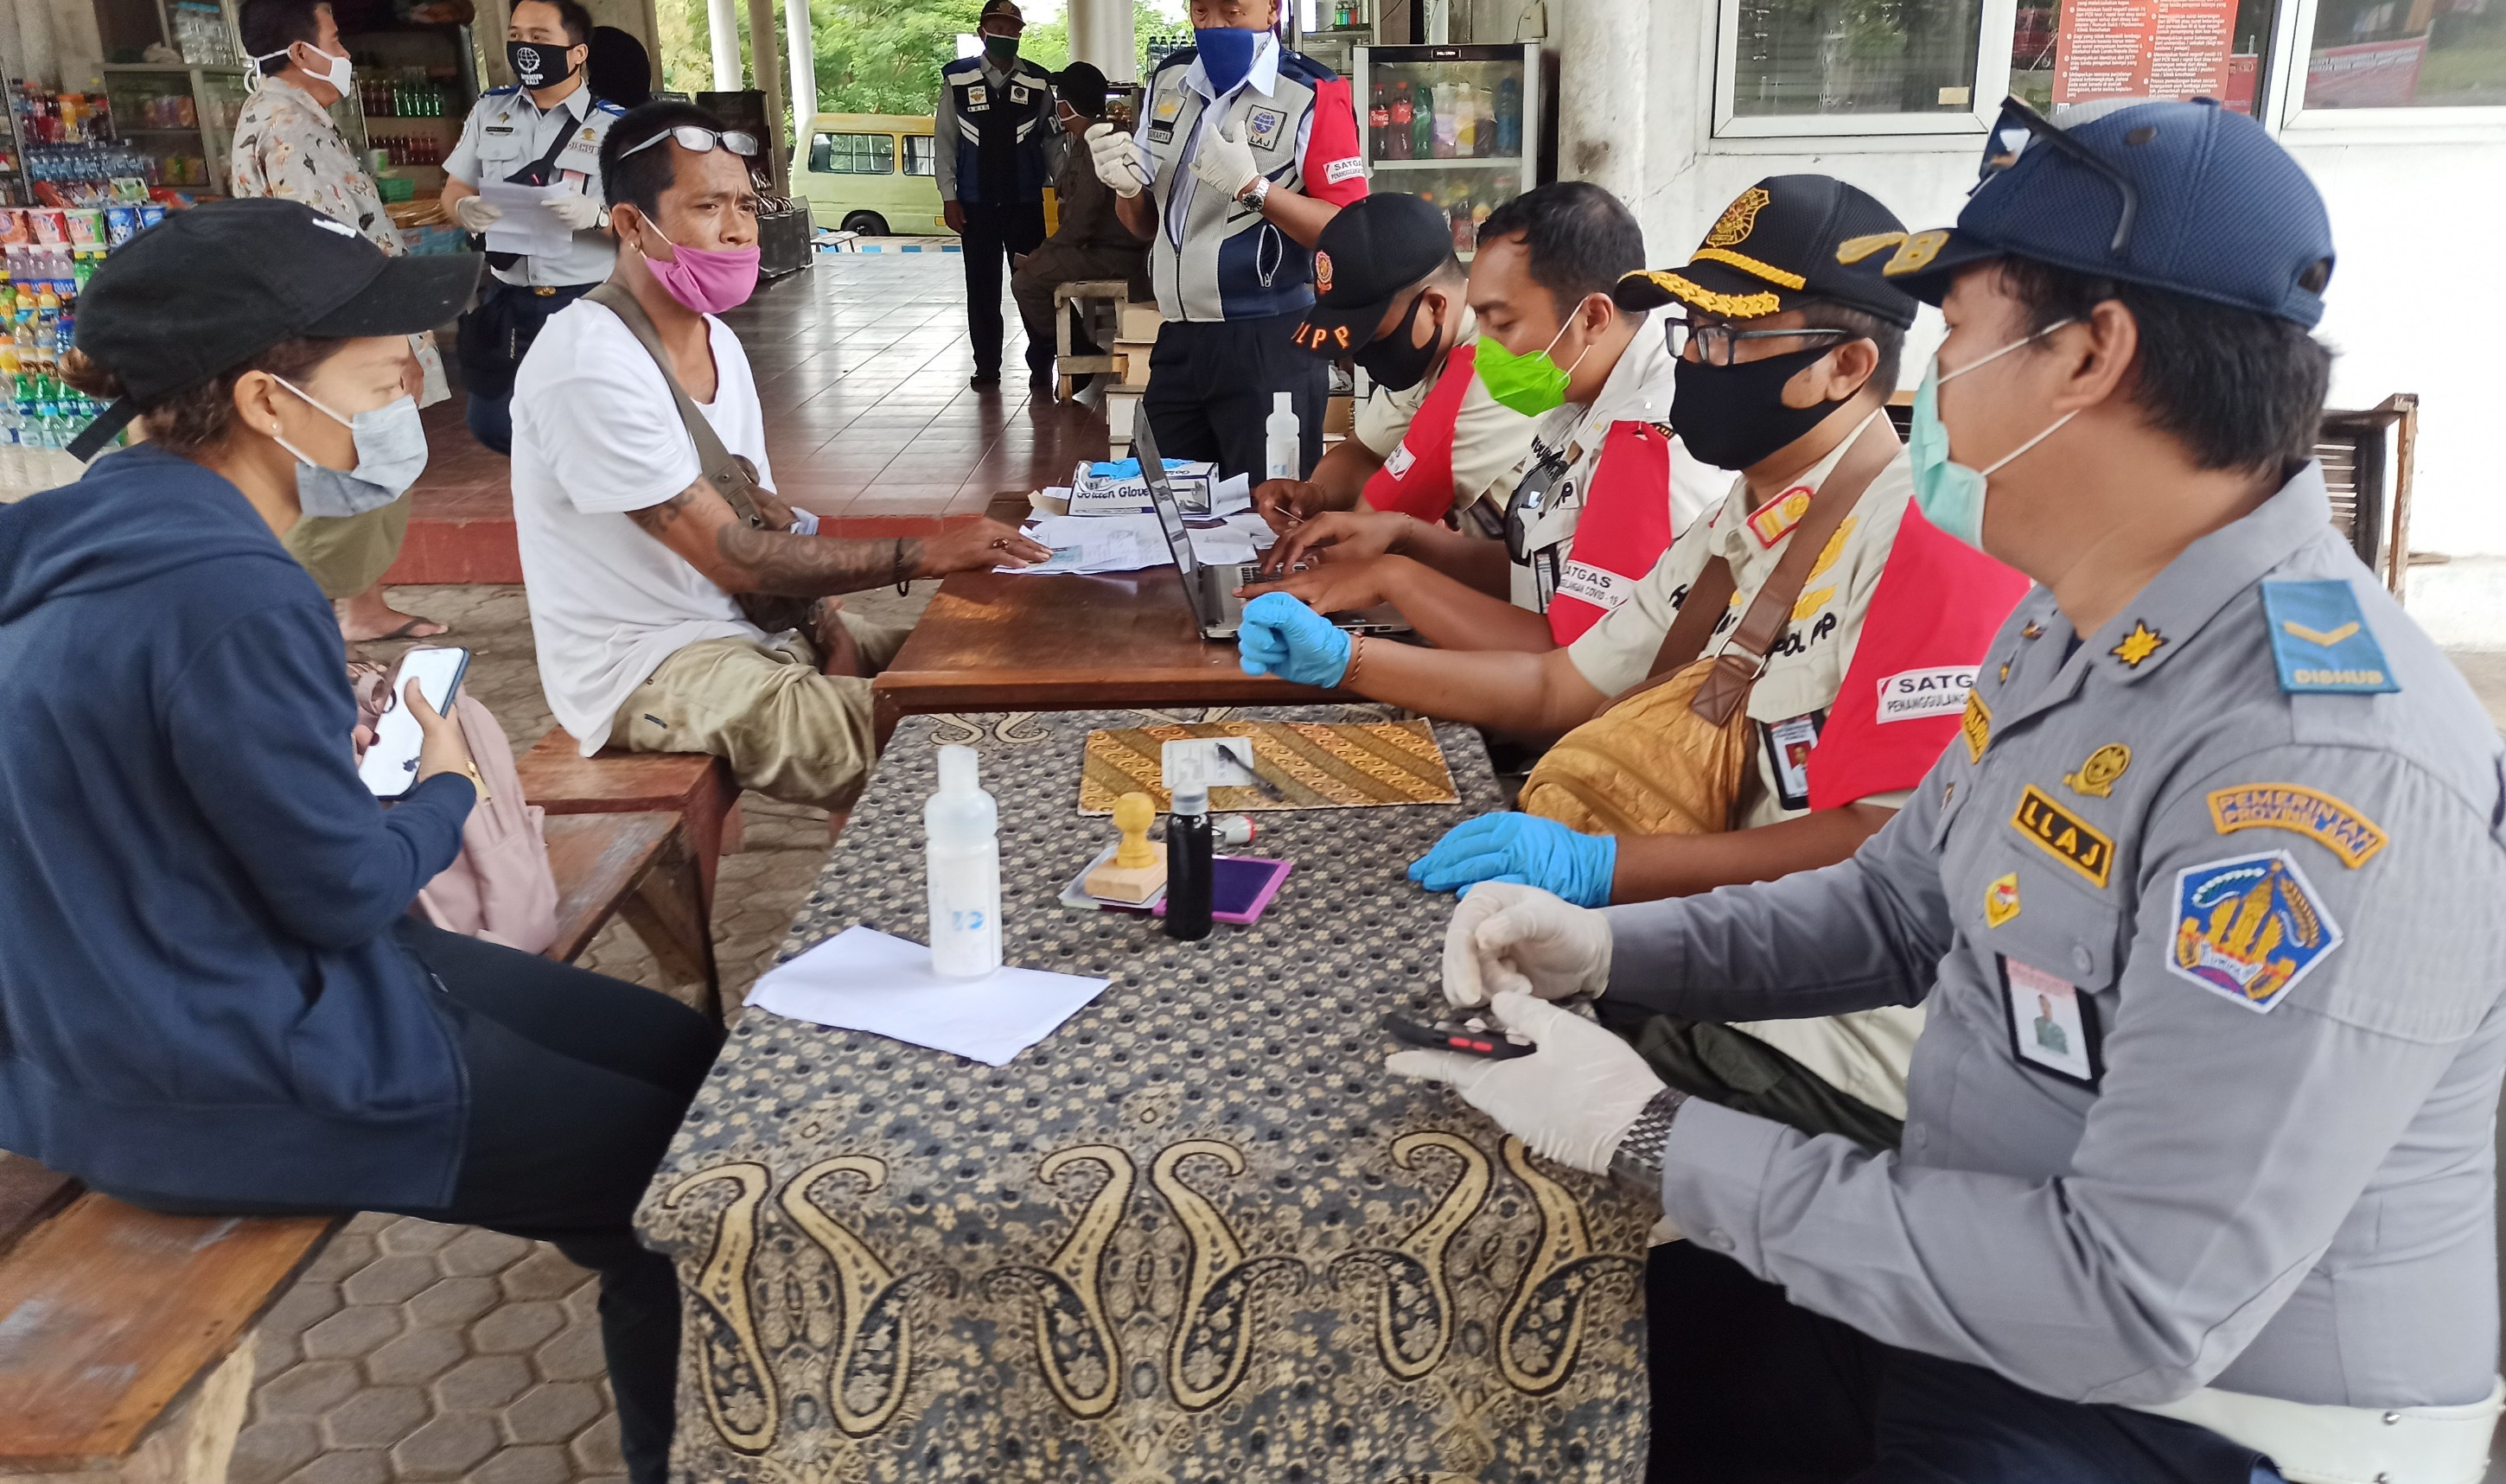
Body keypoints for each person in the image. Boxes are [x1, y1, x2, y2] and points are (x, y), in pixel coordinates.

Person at [1393, 98, 2506, 1484]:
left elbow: (2129, 1300)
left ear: (2088, 357)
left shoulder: (2313, 759)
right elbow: (1896, 902)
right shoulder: (2070, 623)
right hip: (1980, 1285)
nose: (1934, 386)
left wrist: (1652, 1134)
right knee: (1582, 1372)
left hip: (2191, 1421)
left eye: (1965, 334)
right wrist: (1612, 945)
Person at [4, 200, 713, 1484]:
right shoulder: (229, 589)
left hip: (134, 1021)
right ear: (267, 401)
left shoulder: (93, 536)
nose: (409, 371)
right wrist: (436, 787)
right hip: (231, 1071)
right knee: (701, 1190)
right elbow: (337, 890)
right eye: (377, 351)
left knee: (700, 1063)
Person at [510, 102, 1049, 814]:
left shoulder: (717, 343)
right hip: (651, 665)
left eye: (745, 204)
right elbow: (734, 556)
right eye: (706, 206)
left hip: (749, 630)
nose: (737, 229)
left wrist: (829, 629)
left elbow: (765, 523)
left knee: (998, 665)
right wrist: (923, 552)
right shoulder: (588, 362)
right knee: (941, 745)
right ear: (631, 225)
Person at [1245, 180, 1712, 655]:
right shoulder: (1581, 394)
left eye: (1502, 323)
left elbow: (1571, 672)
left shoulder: (1643, 441)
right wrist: (1407, 539)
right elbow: (1539, 579)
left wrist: (1372, 625)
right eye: (1481, 321)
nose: (1484, 348)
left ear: (1591, 318)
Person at [230, 0, 452, 642]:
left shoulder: (276, 114)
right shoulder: (289, 125)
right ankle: (331, 611)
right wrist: (386, 348)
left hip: (326, 328)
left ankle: (361, 605)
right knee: (358, 467)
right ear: (302, 52)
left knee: (355, 466)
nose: (346, 54)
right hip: (347, 331)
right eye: (334, 38)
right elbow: (330, 249)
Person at [1084, 0, 1368, 480]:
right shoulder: (1169, 82)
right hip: (1179, 336)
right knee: (1162, 499)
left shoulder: (1313, 92)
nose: (1215, 26)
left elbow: (1348, 230)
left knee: (1270, 512)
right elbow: (1147, 226)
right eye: (1202, 13)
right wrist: (1126, 189)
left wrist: (1255, 191)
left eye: (1233, 11)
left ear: (1273, 9)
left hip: (1270, 339)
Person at [1253, 190, 1535, 536]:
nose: (1360, 356)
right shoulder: (1431, 351)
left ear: (1435, 307)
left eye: (1372, 336)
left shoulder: (1502, 360)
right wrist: (1314, 495)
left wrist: (1335, 535)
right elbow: (1363, 451)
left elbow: (1409, 499)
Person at [443, 0, 622, 455]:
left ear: (577, 52)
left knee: (595, 423)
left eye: (539, 38)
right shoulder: (490, 111)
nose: (525, 47)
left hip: (586, 299)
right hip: (509, 300)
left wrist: (597, 217)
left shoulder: (616, 127)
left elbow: (648, 226)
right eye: (518, 36)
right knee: (492, 420)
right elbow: (454, 190)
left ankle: (589, 500)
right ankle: (555, 477)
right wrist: (465, 210)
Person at [937, 0, 1063, 387]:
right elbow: (945, 142)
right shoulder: (957, 80)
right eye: (998, 27)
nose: (1005, 35)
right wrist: (949, 196)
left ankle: (1041, 362)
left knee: (1034, 285)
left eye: (1012, 29)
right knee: (982, 288)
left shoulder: (1039, 82)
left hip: (1025, 204)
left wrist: (1064, 189)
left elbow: (1052, 144)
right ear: (982, 33)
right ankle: (987, 366)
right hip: (975, 206)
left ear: (1020, 34)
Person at [1007, 61, 1146, 396]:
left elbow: (1082, 219)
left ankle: (1078, 351)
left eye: (1059, 100)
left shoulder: (1097, 143)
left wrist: (1043, 255)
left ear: (1066, 106)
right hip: (1102, 248)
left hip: (1113, 254)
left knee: (1026, 282)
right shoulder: (1095, 136)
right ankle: (1074, 346)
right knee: (1033, 269)